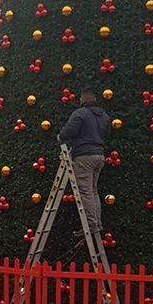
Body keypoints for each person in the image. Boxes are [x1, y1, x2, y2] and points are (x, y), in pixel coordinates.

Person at [58, 88, 111, 235]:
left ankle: (91, 225)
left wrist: (60, 137)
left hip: (84, 156)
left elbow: (69, 131)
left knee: (86, 192)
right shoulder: (104, 116)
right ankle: (97, 222)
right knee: (93, 191)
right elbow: (106, 134)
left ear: (83, 99)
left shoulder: (80, 113)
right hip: (99, 155)